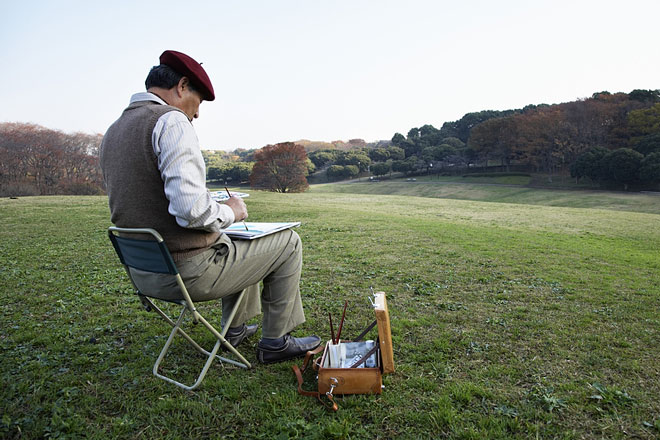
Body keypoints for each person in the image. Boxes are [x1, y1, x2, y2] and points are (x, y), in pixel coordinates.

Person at [99, 50, 320, 363]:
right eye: (199, 102)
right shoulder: (172, 122)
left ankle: (235, 329)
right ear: (183, 86)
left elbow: (147, 195)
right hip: (187, 272)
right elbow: (190, 212)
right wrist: (232, 211)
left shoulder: (115, 129)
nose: (198, 114)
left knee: (237, 242)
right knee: (288, 242)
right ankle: (275, 342)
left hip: (145, 270)